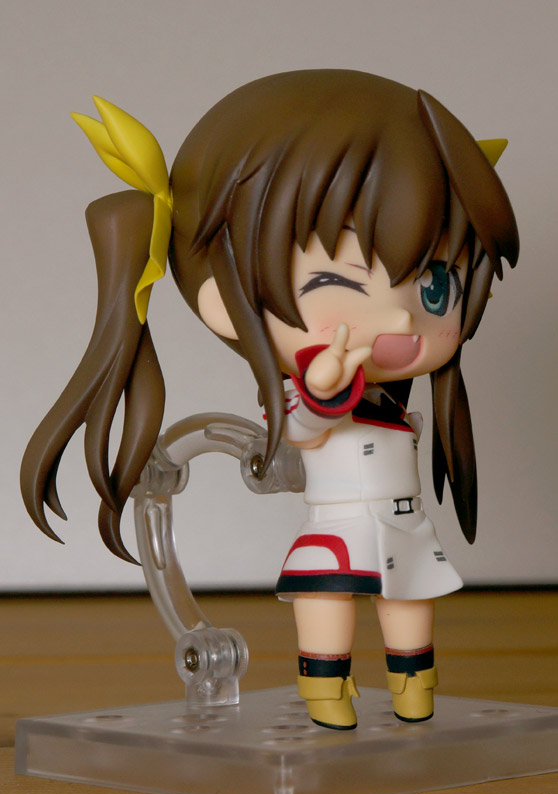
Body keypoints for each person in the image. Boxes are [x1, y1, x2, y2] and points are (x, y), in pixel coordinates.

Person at [21, 70, 519, 729]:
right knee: (326, 602)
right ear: (224, 301)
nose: (401, 322)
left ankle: (414, 685)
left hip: (406, 524)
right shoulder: (301, 391)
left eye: (434, 288)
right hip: (337, 527)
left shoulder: (395, 406)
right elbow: (302, 429)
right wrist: (322, 390)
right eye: (342, 283)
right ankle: (325, 691)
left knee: (410, 603)